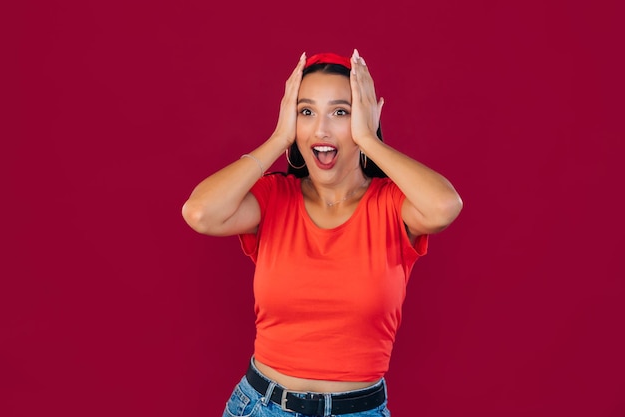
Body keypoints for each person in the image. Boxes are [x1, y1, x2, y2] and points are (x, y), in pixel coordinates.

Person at [182, 49, 463, 417]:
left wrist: (370, 139)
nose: (322, 129)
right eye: (306, 112)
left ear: (364, 117)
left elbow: (444, 206)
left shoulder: (393, 205)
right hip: (261, 407)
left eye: (341, 112)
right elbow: (200, 213)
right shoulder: (274, 198)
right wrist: (279, 138)